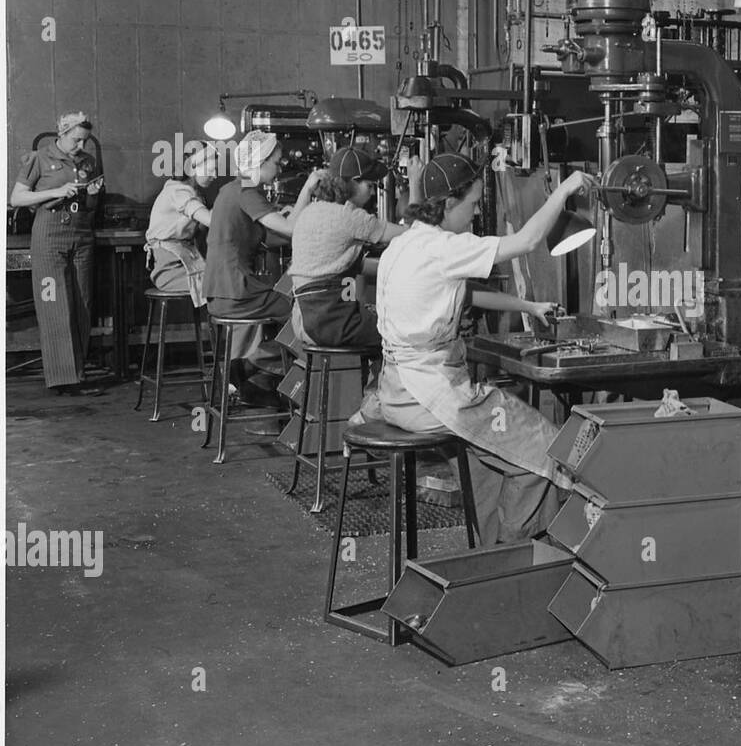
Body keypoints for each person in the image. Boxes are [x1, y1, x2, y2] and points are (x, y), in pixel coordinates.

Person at [357, 153, 596, 545]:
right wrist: (566, 189)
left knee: (489, 460)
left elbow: (463, 292)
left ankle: (489, 553)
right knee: (549, 450)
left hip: (395, 392)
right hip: (430, 397)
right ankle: (514, 556)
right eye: (472, 203)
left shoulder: (404, 244)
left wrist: (528, 307)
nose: (476, 212)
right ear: (449, 204)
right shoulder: (443, 247)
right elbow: (527, 240)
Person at [202, 129, 325, 407]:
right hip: (236, 292)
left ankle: (254, 370)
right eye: (277, 162)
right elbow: (291, 230)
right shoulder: (248, 190)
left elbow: (270, 237)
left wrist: (285, 213)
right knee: (305, 314)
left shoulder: (231, 189)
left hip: (219, 291)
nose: (280, 168)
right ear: (259, 161)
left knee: (291, 314)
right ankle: (264, 370)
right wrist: (308, 188)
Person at [9, 111, 106, 396]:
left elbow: (88, 205)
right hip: (49, 237)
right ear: (61, 133)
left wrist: (92, 192)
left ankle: (77, 374)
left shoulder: (87, 162)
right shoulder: (39, 158)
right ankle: (62, 380)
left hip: (82, 236)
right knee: (56, 306)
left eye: (85, 142)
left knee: (82, 305)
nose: (81, 147)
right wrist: (56, 192)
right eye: (76, 140)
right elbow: (16, 198)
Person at [288, 146, 405, 349]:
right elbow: (411, 234)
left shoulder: (312, 211)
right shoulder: (348, 217)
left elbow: (343, 265)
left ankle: (372, 380)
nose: (371, 193)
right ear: (353, 182)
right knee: (406, 331)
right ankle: (380, 381)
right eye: (369, 186)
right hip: (329, 323)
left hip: (303, 318)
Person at [144, 142, 220, 305]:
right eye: (211, 169)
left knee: (223, 280)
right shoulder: (179, 192)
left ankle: (225, 328)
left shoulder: (190, 192)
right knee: (223, 284)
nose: (215, 175)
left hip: (182, 263)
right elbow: (211, 221)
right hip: (169, 269)